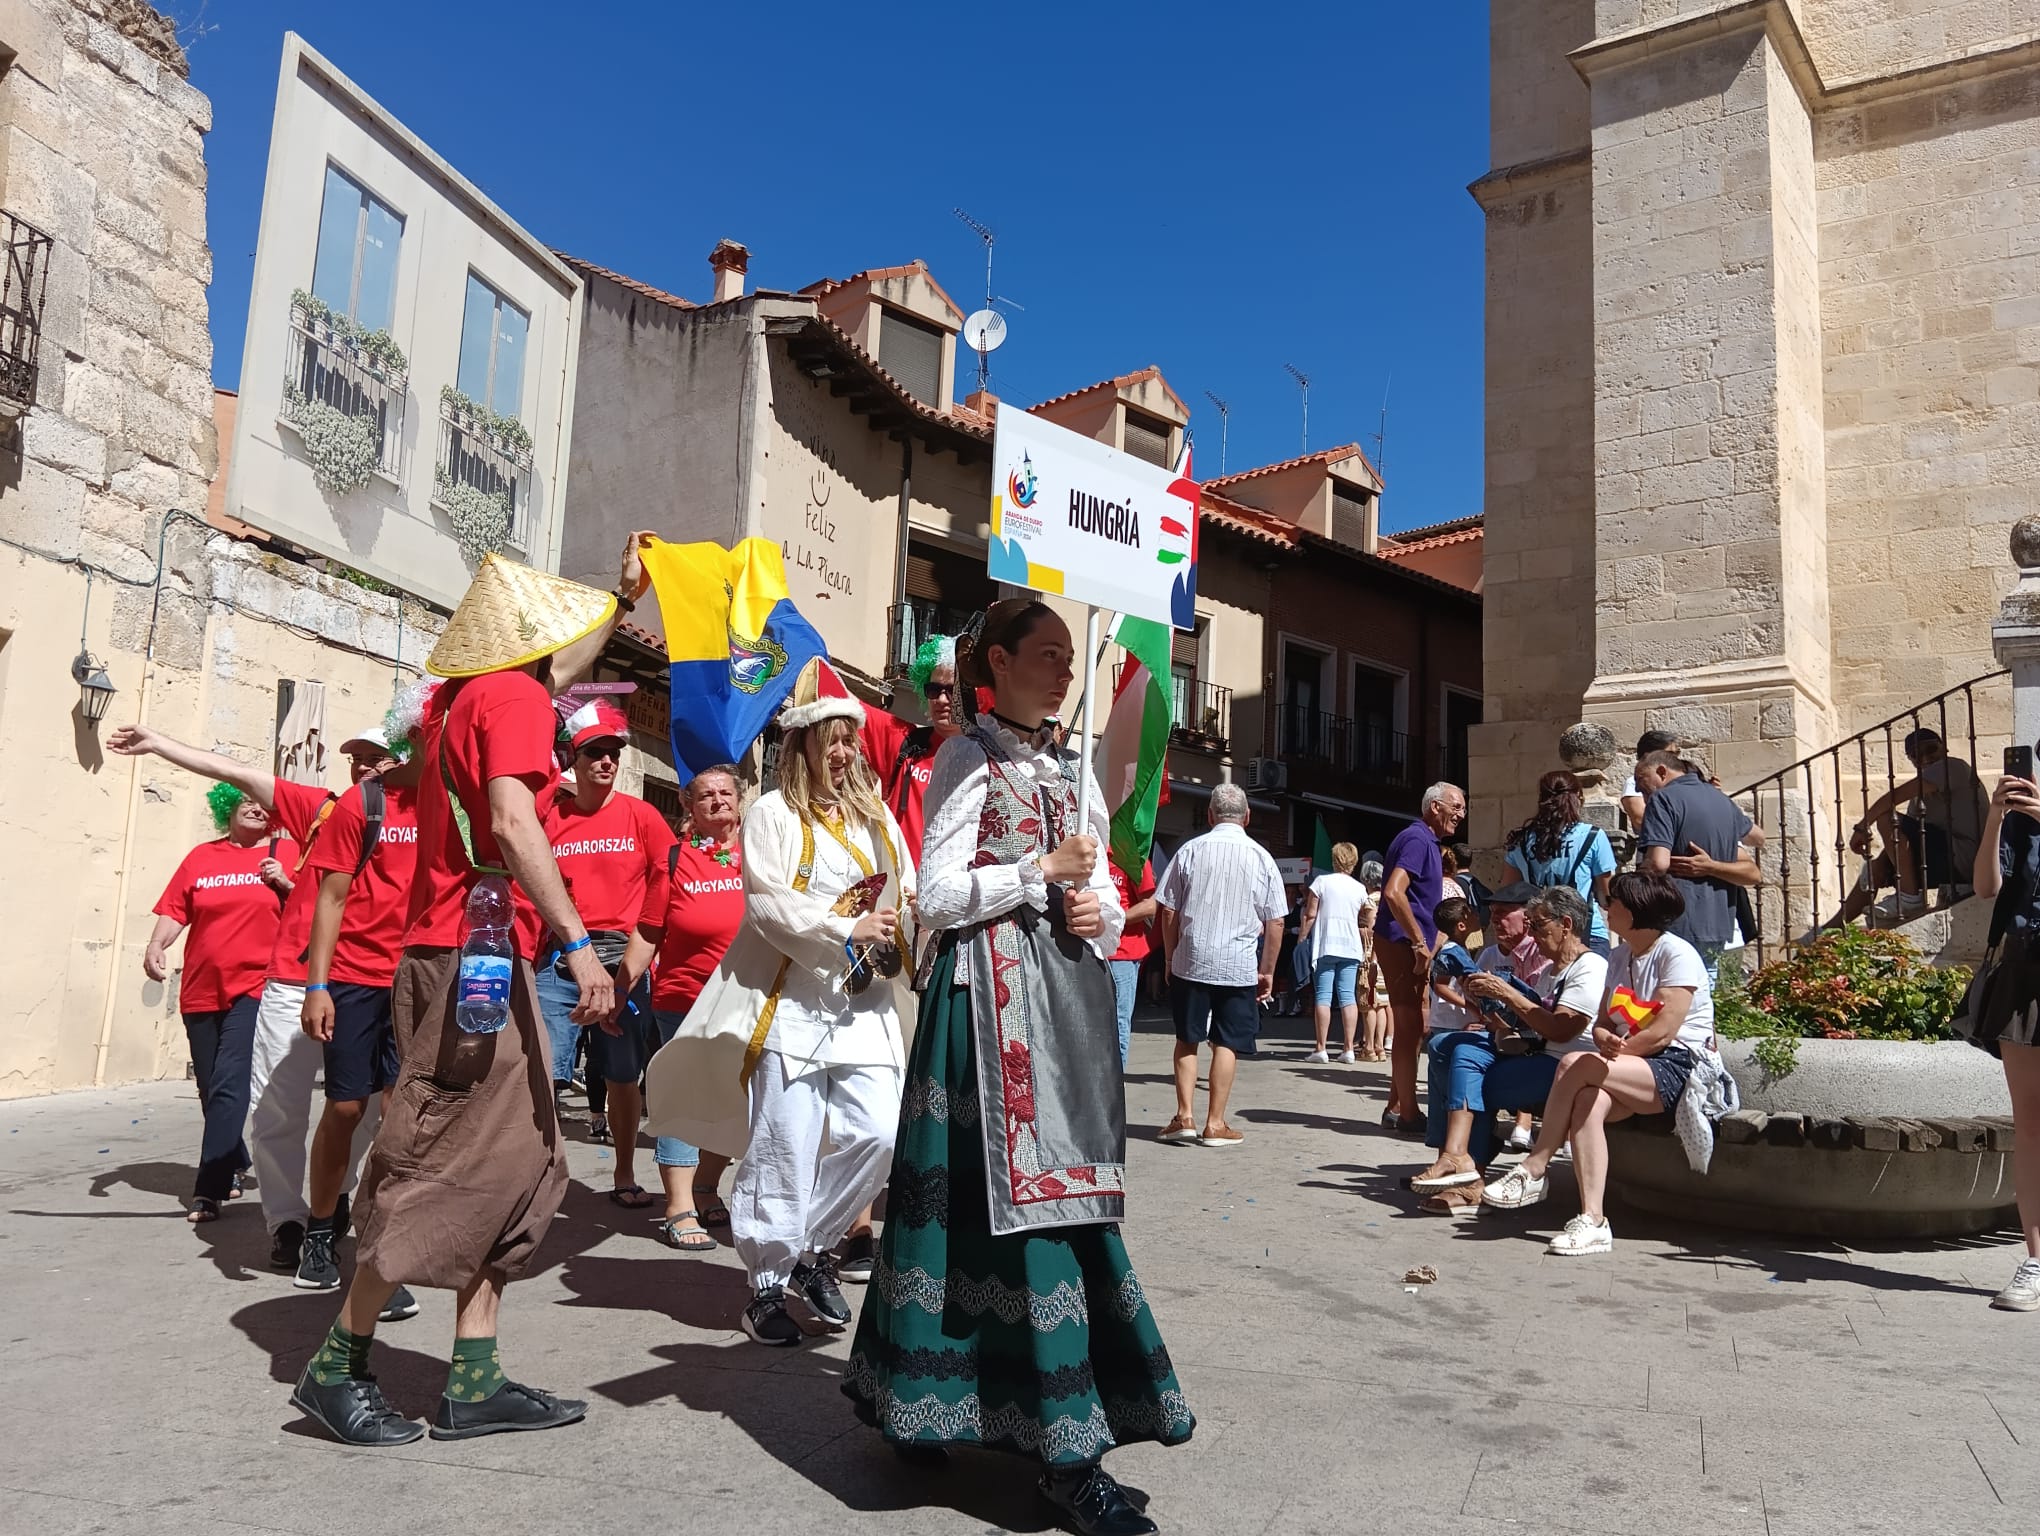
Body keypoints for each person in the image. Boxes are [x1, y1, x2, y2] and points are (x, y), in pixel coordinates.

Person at [842, 597, 1191, 1536]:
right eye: (1047, 655)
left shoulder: (1072, 769)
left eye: (1071, 657)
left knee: (1062, 1202)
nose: (1064, 671)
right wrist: (1039, 870)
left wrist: (1099, 913)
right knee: (977, 1213)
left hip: (1062, 1009)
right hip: (982, 1017)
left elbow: (1107, 896)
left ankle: (961, 1408)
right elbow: (939, 896)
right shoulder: (965, 755)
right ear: (998, 660)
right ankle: (1057, 1451)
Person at [288, 539, 644, 1447]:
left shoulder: (468, 698)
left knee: (515, 1163)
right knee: (440, 1158)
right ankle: (337, 1365)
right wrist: (580, 945)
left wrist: (619, 593)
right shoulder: (516, 698)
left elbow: (559, 672)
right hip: (466, 965)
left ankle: (473, 1379)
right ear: (532, 641)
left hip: (470, 959)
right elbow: (514, 819)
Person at [648, 657, 915, 1346]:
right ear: (801, 745)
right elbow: (766, 907)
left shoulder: (877, 817)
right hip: (791, 1010)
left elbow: (906, 893)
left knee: (880, 1134)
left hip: (867, 1012)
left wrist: (913, 924)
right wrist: (841, 927)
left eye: (849, 739)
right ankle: (765, 1286)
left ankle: (807, 1247)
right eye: (830, 739)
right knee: (782, 1148)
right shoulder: (769, 813)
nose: (844, 751)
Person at [109, 718, 400, 1274]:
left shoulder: (420, 815)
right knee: (276, 1110)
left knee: (362, 1113)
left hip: (368, 986)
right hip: (294, 984)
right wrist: (160, 742)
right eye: (356, 757)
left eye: (376, 757)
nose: (363, 766)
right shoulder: (321, 808)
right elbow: (235, 771)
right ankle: (288, 1221)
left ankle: (333, 1196)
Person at [1481, 872, 1716, 1257]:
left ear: (1636, 909)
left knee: (1576, 1062)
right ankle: (1593, 1221)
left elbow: (1663, 1033)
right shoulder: (1620, 955)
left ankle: (1535, 1165)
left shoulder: (1677, 954)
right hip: (1630, 1064)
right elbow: (1605, 1020)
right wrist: (1606, 1037)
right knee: (1588, 1100)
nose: (1605, 909)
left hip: (1677, 1066)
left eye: (1614, 903)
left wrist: (1610, 1051)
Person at [292, 726, 421, 1310]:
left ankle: (378, 1250)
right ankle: (320, 1232)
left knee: (400, 1118)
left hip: (419, 978)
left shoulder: (454, 807)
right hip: (353, 977)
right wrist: (316, 986)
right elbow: (331, 898)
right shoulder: (363, 803)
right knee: (346, 1107)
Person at [537, 700, 678, 1210]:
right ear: (574, 759)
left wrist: (635, 964)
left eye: (613, 753)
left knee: (622, 1076)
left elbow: (667, 883)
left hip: (623, 959)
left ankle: (623, 1171)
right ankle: (541, 1177)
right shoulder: (551, 815)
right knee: (545, 1071)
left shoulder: (641, 816)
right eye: (594, 752)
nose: (606, 763)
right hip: (560, 956)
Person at [145, 786, 293, 1223]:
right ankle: (234, 1158)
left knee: (231, 1083)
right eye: (245, 799)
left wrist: (285, 882)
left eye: (265, 803)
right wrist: (156, 944)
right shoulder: (201, 858)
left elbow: (314, 906)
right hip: (201, 987)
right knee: (210, 1086)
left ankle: (208, 1189)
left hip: (257, 985)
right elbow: (176, 909)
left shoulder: (286, 851)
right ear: (227, 806)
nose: (255, 807)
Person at [1410, 883, 1593, 1212]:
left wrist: (1507, 995)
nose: (1532, 933)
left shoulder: (1589, 968)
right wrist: (1494, 1014)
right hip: (1535, 1052)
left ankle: (1468, 1173)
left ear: (1565, 925)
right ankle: (1456, 1158)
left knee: (1474, 1079)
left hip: (1565, 1065)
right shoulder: (1552, 971)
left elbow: (1560, 1030)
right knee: (1452, 1048)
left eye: (1538, 925)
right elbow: (1529, 1024)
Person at [645, 764, 745, 1254]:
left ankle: (706, 1186)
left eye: (726, 792)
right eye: (706, 795)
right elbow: (648, 931)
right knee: (685, 1102)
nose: (718, 801)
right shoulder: (673, 859)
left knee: (731, 1101)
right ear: (689, 806)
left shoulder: (762, 853)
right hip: (683, 998)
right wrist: (616, 987)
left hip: (746, 998)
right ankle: (679, 1206)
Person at [1155, 783, 1287, 1149]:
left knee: (1187, 1038)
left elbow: (1167, 910)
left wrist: (1169, 955)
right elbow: (1276, 922)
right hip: (1238, 965)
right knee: (1227, 1041)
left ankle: (1184, 1117)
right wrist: (1268, 970)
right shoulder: (1262, 857)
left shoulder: (1190, 850)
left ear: (1211, 815)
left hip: (1191, 959)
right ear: (1247, 816)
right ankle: (1215, 1123)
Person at [1961, 765, 2040, 1309]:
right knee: (2031, 1123)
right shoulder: (2020, 824)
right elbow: (1987, 887)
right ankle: (2035, 1258)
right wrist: (1995, 817)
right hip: (2025, 975)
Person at [1822, 727, 1988, 930]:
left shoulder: (1953, 767)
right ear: (1912, 760)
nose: (1926, 758)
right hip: (1943, 857)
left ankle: (1909, 898)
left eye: (1931, 749)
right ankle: (1831, 928)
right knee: (1874, 869)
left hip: (1963, 858)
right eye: (1917, 755)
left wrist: (1862, 827)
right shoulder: (1921, 797)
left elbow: (1893, 797)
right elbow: (1902, 840)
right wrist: (1882, 864)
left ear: (1944, 748)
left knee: (1886, 817)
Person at [1374, 783, 1468, 1132]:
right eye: (1456, 806)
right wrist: (1417, 941)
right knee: (1409, 1028)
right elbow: (1394, 892)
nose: (1461, 814)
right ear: (1434, 807)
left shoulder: (1422, 840)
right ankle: (1409, 1114)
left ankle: (1396, 1105)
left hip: (1401, 941)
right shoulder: (1417, 840)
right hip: (1400, 943)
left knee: (1411, 1028)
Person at [1634, 750, 1759, 979]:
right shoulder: (1722, 800)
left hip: (1675, 916)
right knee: (1704, 997)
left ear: (1661, 771)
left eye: (1642, 784)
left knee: (1671, 993)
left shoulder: (1663, 799)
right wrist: (1712, 865)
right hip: (1717, 922)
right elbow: (1757, 838)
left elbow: (1658, 864)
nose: (1641, 794)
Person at [860, 631, 966, 862]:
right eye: (934, 690)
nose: (941, 699)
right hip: (898, 891)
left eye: (952, 690)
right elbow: (841, 700)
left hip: (949, 895)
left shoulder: (989, 759)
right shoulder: (905, 741)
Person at [1505, 770, 1617, 956]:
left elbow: (1509, 893)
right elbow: (1608, 896)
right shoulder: (1593, 836)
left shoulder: (1520, 841)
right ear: (1578, 797)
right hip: (1586, 932)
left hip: (1540, 933)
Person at [1297, 842, 1373, 1063]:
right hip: (1350, 947)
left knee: (1323, 996)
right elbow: (1369, 913)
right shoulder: (1359, 887)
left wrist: (1302, 936)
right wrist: (1365, 928)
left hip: (1326, 945)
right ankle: (1348, 1048)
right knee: (1348, 996)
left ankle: (1321, 1048)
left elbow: (1310, 914)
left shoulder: (1321, 882)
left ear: (1334, 860)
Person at [1107, 852, 1158, 1067]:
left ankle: (1114, 1089)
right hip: (1084, 951)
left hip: (1122, 955)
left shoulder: (1132, 854)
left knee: (1117, 1022)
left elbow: (1152, 904)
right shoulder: (1084, 847)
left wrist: (1115, 919)